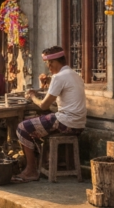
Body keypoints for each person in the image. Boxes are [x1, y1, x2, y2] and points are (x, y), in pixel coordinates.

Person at [15, 46, 86, 183]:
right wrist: (47, 84)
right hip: (79, 124)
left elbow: (43, 105)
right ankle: (44, 161)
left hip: (66, 122)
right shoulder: (74, 74)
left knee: (22, 127)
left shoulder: (59, 77)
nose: (48, 67)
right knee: (38, 121)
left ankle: (31, 170)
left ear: (55, 62)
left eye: (49, 63)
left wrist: (32, 96)